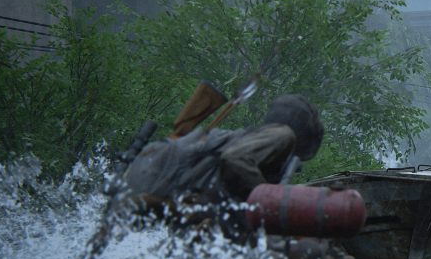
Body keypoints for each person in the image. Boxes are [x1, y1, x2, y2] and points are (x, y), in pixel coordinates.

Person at [119, 93, 324, 243]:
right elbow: (235, 160)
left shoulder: (246, 136)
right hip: (163, 196)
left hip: (148, 189)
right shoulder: (283, 134)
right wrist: (268, 200)